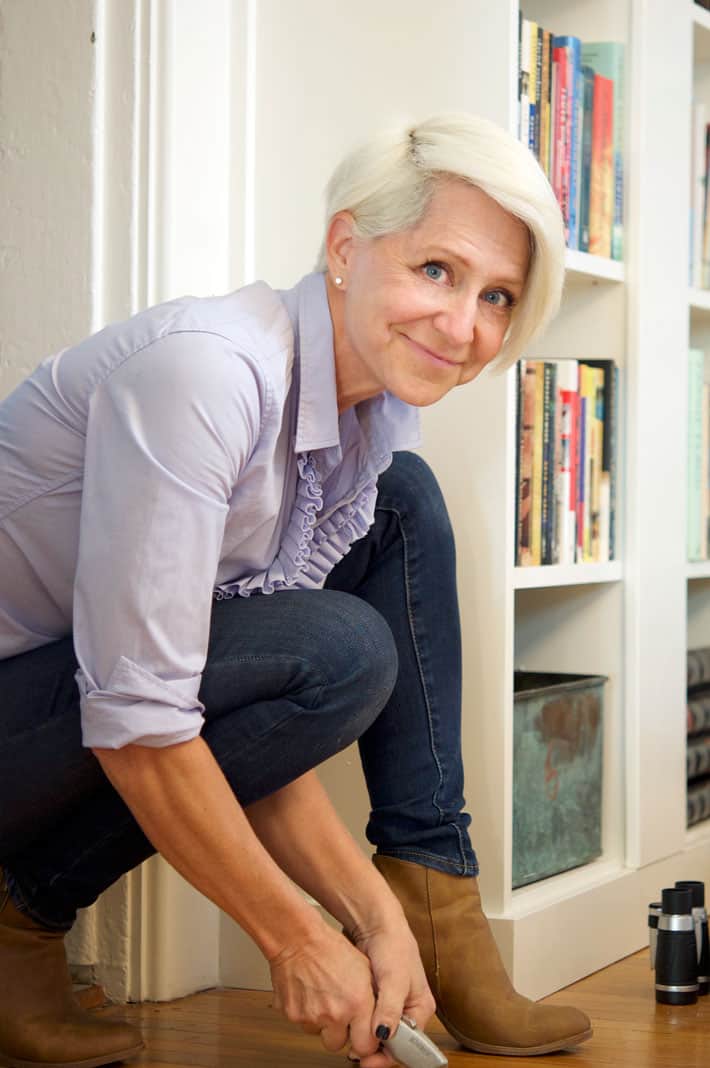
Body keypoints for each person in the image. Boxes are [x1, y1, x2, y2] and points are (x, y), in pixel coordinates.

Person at [0, 112, 592, 1068]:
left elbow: (246, 713)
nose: (463, 325)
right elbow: (147, 715)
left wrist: (371, 918)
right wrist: (299, 938)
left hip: (73, 701)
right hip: (25, 708)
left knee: (398, 507)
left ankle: (428, 895)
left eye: (498, 297)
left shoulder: (370, 422)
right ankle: (19, 913)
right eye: (436, 270)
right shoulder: (209, 374)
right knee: (342, 648)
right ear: (347, 247)